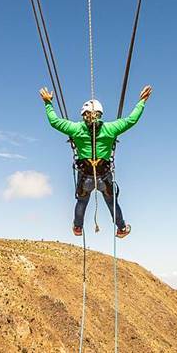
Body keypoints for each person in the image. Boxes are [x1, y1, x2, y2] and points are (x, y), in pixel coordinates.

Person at [39, 84, 152, 238]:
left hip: (85, 176)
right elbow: (131, 120)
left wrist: (48, 103)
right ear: (100, 114)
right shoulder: (111, 128)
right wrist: (142, 102)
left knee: (82, 201)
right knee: (112, 203)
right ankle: (121, 228)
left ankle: (78, 228)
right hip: (104, 176)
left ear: (83, 114)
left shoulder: (75, 128)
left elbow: (54, 121)